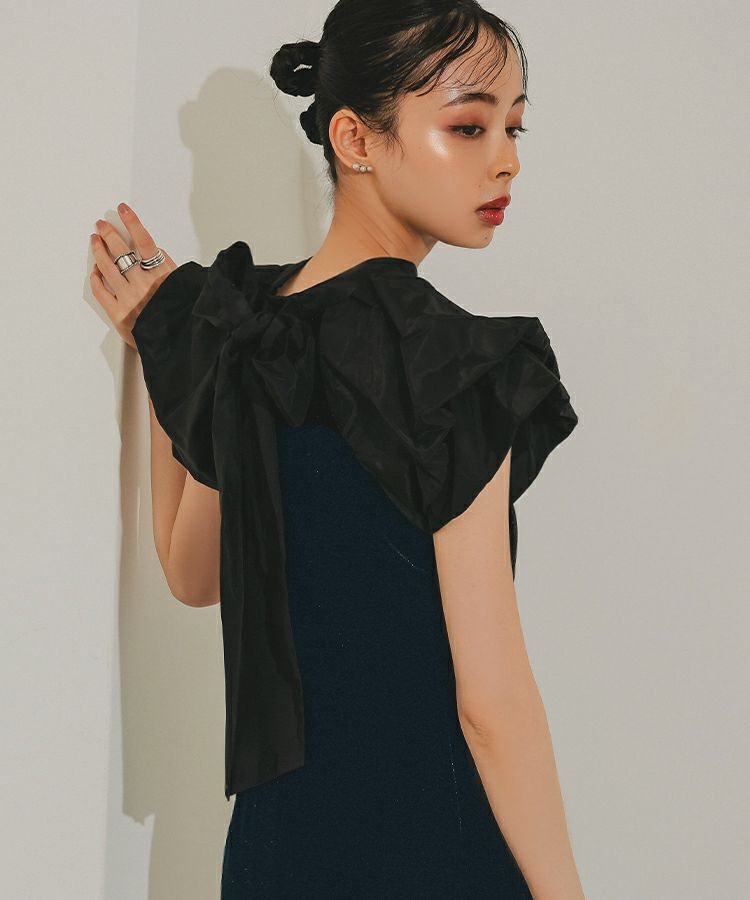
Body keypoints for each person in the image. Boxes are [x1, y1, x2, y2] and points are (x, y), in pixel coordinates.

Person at [88, 1, 584, 897]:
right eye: (468, 126)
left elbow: (190, 570)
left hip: (276, 857)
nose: (505, 158)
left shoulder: (248, 334)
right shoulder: (450, 363)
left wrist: (169, 344)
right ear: (355, 138)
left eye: (513, 127)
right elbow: (492, 703)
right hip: (428, 853)